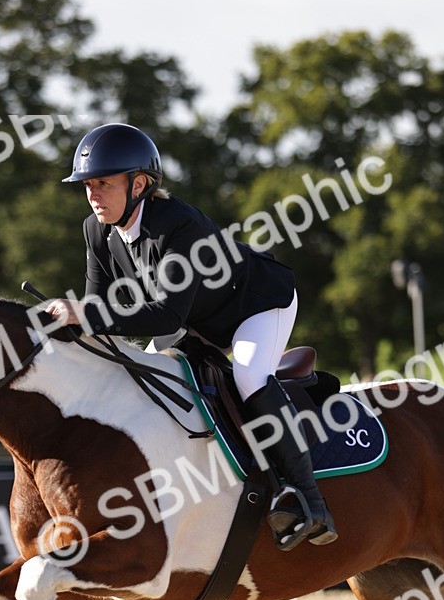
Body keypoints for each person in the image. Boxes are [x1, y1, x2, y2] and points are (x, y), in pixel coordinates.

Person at [46, 122, 336, 551]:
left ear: (139, 184)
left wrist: (85, 315)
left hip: (254, 307)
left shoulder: (177, 225)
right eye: (87, 184)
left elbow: (162, 317)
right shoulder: (97, 230)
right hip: (193, 322)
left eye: (103, 183)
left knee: (249, 378)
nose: (92, 194)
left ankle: (309, 502)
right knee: (147, 381)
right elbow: (96, 308)